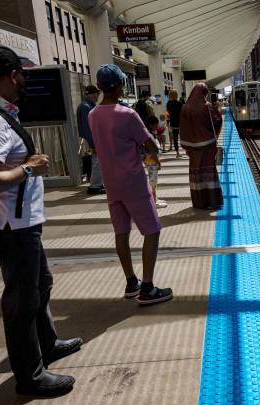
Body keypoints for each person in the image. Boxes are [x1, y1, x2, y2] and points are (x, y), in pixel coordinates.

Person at [0, 45, 81, 396]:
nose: (22, 82)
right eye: (20, 75)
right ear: (10, 74)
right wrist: (28, 167)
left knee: (40, 285)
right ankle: (30, 376)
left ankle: (47, 344)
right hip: (10, 227)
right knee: (22, 298)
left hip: (18, 223)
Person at [88, 64, 172, 305]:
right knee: (152, 231)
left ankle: (131, 281)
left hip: (111, 183)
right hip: (133, 181)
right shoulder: (127, 114)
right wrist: (148, 150)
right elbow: (151, 145)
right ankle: (147, 287)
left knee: (121, 232)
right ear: (120, 85)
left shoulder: (93, 115)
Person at [180, 83, 223, 210]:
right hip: (207, 146)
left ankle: (199, 202)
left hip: (192, 149)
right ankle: (212, 201)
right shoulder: (207, 107)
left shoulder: (184, 108)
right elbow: (216, 122)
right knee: (209, 171)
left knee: (196, 174)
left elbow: (183, 128)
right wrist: (218, 112)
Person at [76, 85, 104, 195]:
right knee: (97, 162)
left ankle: (97, 184)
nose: (98, 96)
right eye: (97, 94)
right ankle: (95, 186)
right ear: (91, 94)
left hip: (91, 139)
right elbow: (87, 127)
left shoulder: (87, 105)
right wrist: (94, 143)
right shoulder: (86, 107)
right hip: (92, 140)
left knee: (97, 162)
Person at [145, 116, 167, 209]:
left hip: (150, 160)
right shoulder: (149, 135)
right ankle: (153, 201)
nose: (157, 126)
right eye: (156, 124)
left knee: (153, 180)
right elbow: (152, 151)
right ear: (151, 125)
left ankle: (155, 198)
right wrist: (158, 162)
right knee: (153, 181)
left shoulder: (149, 133)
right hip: (152, 161)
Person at [166, 89, 184, 158]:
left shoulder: (168, 103)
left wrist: (168, 123)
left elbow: (167, 114)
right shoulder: (179, 103)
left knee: (175, 138)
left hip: (173, 123)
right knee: (183, 137)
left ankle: (177, 153)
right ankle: (187, 150)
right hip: (180, 122)